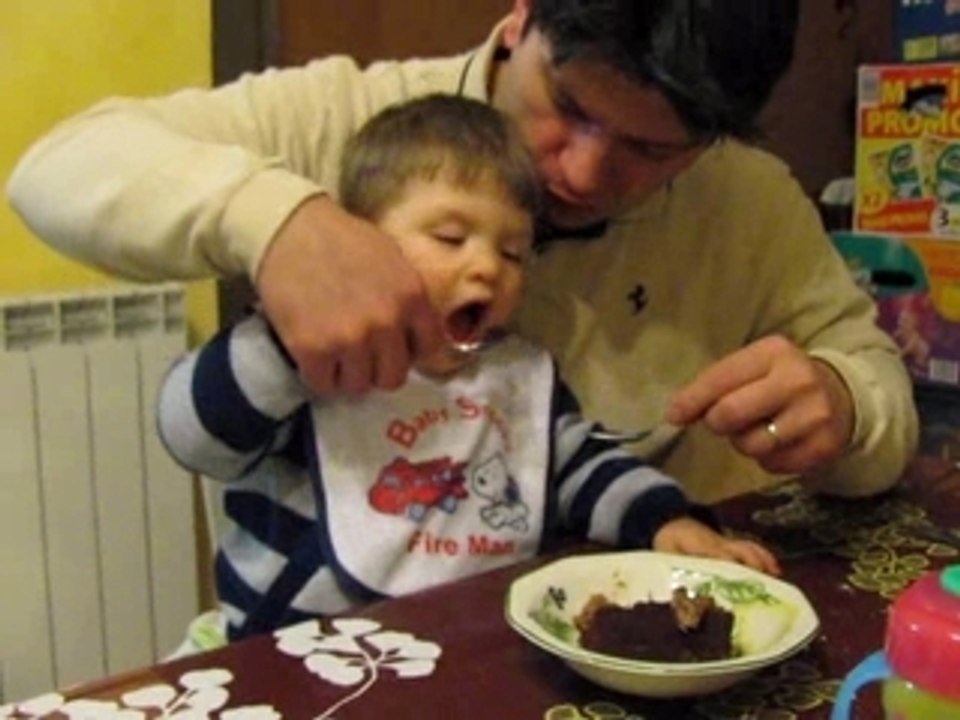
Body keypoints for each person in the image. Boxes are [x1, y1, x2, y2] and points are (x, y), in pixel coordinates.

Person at [7, 0, 918, 504]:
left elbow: (875, 388)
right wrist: (273, 215)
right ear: (520, 22)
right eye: (567, 106)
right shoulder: (351, 121)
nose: (587, 172)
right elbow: (53, 169)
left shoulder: (746, 193)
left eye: (652, 150)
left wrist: (843, 403)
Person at [156, 94, 779, 640]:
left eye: (513, 251)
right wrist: (284, 346)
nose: (488, 268)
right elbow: (192, 435)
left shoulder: (514, 374)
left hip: (470, 650)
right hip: (295, 656)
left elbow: (579, 465)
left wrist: (663, 520)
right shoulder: (306, 352)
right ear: (362, 242)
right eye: (451, 239)